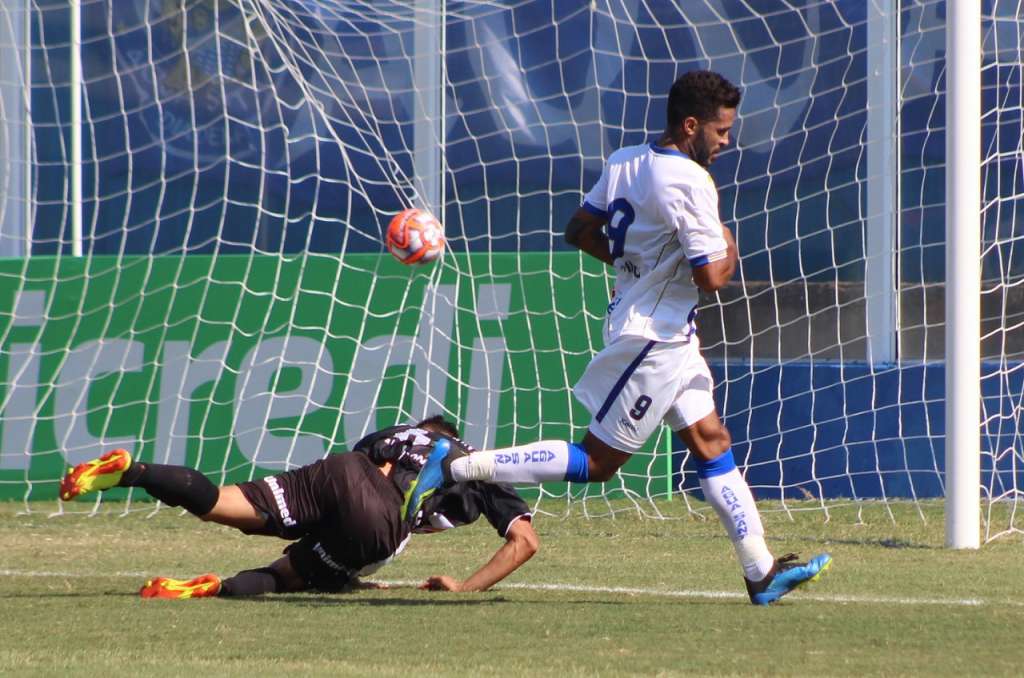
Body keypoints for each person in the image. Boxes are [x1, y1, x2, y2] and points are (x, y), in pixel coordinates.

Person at [412, 70, 831, 605]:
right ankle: (454, 467)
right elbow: (712, 279)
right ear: (690, 125)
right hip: (655, 339)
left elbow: (580, 230)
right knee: (596, 463)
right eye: (721, 131)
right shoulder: (690, 181)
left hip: (661, 328)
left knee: (711, 441)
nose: (727, 141)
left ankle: (761, 572)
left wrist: (636, 266)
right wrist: (728, 240)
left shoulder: (625, 160)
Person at [59, 415, 538, 599]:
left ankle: (132, 471)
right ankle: (215, 588)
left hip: (342, 470)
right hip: (379, 521)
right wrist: (464, 587)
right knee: (290, 574)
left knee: (222, 503)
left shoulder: (396, 434)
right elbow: (524, 542)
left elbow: (363, 471)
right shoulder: (482, 465)